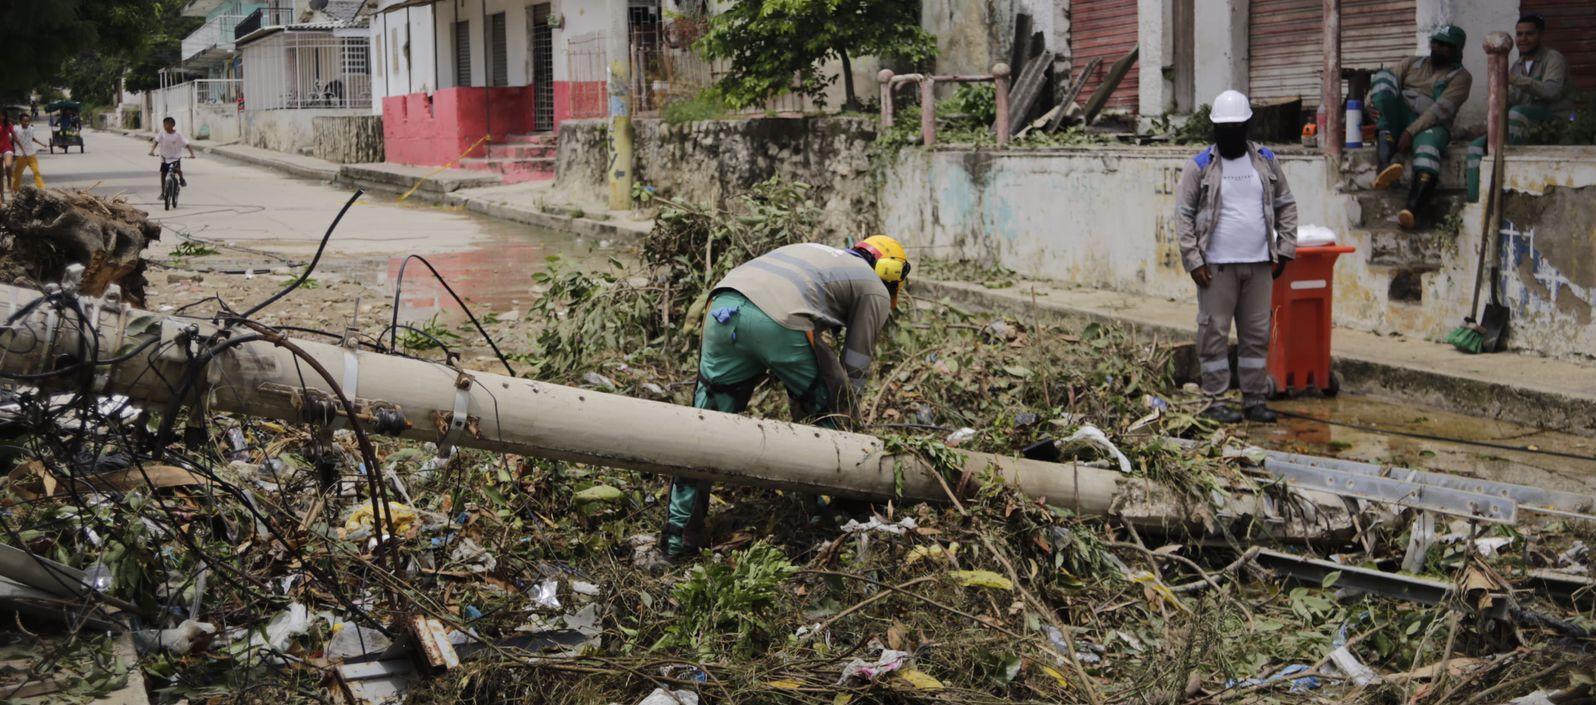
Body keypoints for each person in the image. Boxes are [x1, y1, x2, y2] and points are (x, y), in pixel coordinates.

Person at [659, 236, 909, 559]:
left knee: (704, 428)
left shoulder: (819, 252)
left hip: (722, 306)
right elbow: (855, 366)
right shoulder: (875, 287)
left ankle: (677, 543)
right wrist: (844, 416)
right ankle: (831, 522)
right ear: (890, 272)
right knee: (828, 417)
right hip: (778, 320)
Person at [1175, 90, 1299, 424]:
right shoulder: (1200, 166)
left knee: (1257, 335)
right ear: (1215, 129)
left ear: (1247, 126)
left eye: (1236, 127)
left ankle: (1254, 400)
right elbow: (1183, 215)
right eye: (1223, 128)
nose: (1229, 133)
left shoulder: (1266, 160)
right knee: (1213, 334)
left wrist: (1285, 249)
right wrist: (1194, 260)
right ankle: (1214, 400)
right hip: (1215, 268)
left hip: (1259, 265)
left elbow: (1285, 205)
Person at [1368, 25, 1472, 230]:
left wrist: (1410, 131)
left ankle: (1412, 209)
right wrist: (1370, 104)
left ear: (1457, 50)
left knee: (1428, 149)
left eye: (1445, 45)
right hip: (1400, 117)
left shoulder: (1461, 77)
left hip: (1431, 124)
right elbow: (1383, 85)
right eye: (1436, 42)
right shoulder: (1412, 63)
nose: (1438, 48)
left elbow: (1438, 112)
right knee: (1382, 77)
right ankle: (1383, 167)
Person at [1465, 13, 1572, 202]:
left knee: (1517, 114)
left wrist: (1516, 80)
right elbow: (1511, 100)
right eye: (1519, 34)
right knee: (1475, 147)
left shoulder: (1553, 59)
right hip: (1521, 120)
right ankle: (1476, 200)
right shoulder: (1517, 65)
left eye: (1529, 34)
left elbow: (1551, 91)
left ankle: (1508, 185)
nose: (1523, 39)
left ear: (1541, 35)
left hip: (1551, 120)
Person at [149, 117, 196, 189]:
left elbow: (187, 144)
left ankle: (181, 179)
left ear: (173, 125)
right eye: (164, 124)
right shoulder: (162, 133)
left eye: (167, 124)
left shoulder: (178, 134)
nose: (165, 126)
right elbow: (156, 141)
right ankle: (163, 192)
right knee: (163, 174)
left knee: (177, 170)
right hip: (165, 157)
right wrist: (152, 151)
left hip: (175, 157)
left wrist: (192, 154)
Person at [10, 113, 47, 192]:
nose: (26, 123)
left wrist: (41, 144)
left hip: (31, 154)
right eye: (24, 121)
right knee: (18, 174)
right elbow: (12, 139)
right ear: (20, 121)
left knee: (36, 171)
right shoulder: (16, 129)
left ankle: (41, 188)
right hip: (21, 155)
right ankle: (15, 190)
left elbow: (32, 138)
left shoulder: (31, 128)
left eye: (28, 121)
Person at [0, 114, 13, 206]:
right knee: (0, 175)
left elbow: (15, 136)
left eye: (3, 115)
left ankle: (9, 184)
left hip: (7, 149)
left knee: (8, 166)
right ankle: (2, 197)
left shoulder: (8, 124)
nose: (1, 117)